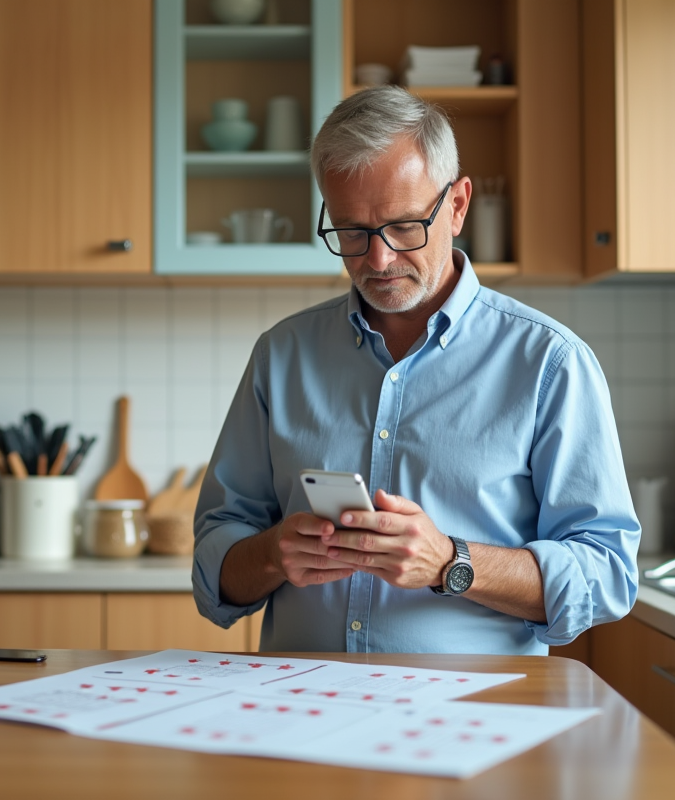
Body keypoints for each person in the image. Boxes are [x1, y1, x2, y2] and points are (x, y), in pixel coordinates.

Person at [191, 86, 640, 655]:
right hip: (300, 715)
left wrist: (452, 563)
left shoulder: (549, 362)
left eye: (404, 226)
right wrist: (273, 552)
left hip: (475, 727)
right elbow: (214, 571)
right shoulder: (281, 355)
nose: (377, 261)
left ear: (457, 204)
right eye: (352, 232)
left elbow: (607, 577)